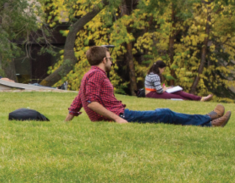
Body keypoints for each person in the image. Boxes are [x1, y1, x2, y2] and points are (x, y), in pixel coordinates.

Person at [68, 46, 227, 127]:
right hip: (120, 116)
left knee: (163, 113)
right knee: (165, 113)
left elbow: (79, 99)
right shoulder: (96, 75)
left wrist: (66, 123)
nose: (111, 61)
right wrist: (117, 119)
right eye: (109, 59)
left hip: (120, 113)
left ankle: (208, 120)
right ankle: (208, 121)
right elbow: (91, 102)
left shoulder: (90, 75)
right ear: (103, 60)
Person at [145, 60, 213, 101]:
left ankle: (200, 98)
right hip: (152, 94)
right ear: (159, 68)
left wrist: (166, 88)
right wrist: (165, 89)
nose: (163, 71)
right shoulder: (155, 76)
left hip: (152, 92)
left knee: (178, 92)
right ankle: (198, 99)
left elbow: (157, 88)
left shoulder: (150, 74)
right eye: (163, 69)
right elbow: (159, 91)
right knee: (178, 97)